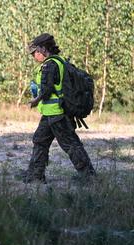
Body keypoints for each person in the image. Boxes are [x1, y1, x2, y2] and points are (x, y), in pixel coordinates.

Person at [22, 33, 95, 183]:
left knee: (70, 144)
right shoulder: (59, 62)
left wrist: (35, 101)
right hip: (51, 113)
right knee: (40, 140)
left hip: (57, 113)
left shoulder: (50, 65)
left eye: (35, 52)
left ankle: (89, 177)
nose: (34, 56)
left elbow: (47, 90)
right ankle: (35, 176)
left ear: (43, 49)